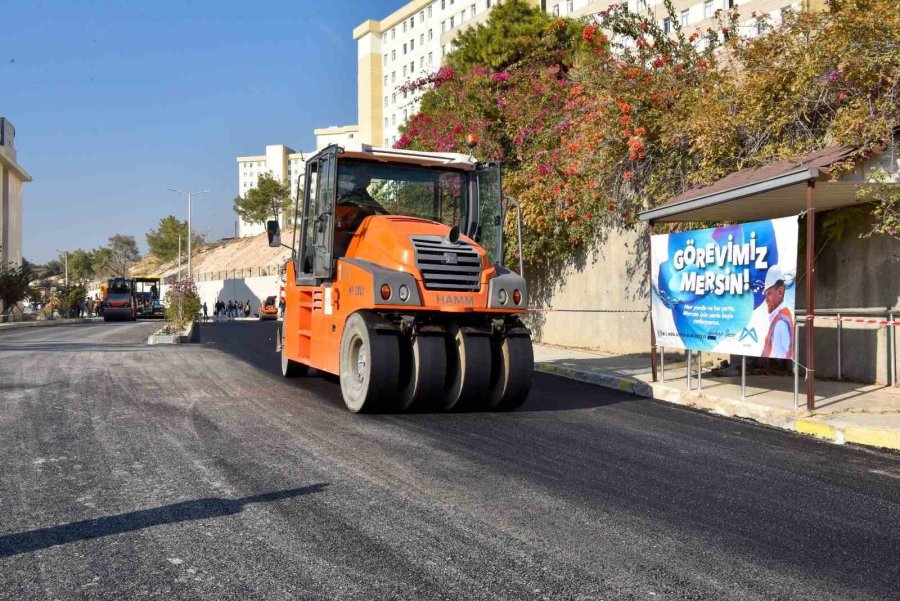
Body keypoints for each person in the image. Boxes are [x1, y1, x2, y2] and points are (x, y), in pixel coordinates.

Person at [761, 265, 794, 359]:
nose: (766, 299)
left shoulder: (780, 324)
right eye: (766, 295)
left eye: (769, 294)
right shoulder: (778, 318)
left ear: (780, 292)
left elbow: (785, 353)